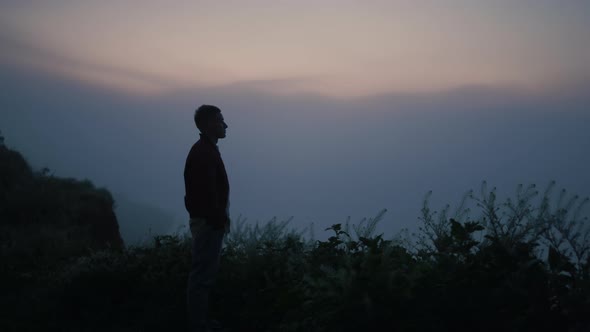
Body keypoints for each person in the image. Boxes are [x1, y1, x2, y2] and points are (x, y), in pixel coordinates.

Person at [184, 104, 230, 332]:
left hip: (208, 222)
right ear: (210, 124)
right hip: (208, 224)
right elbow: (205, 193)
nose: (225, 125)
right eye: (221, 120)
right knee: (202, 275)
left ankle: (200, 321)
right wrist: (216, 220)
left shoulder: (205, 150)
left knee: (203, 273)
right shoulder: (203, 153)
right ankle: (198, 325)